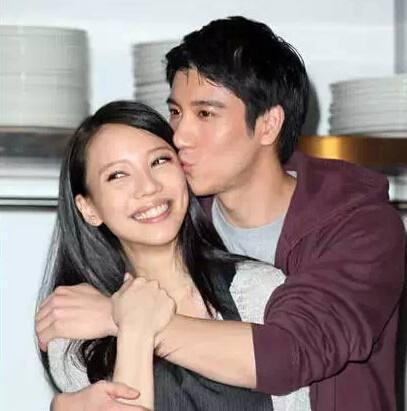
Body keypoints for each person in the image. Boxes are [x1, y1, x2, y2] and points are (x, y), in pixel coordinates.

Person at [37, 16, 406, 411]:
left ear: (267, 125)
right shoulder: (176, 212)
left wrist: (124, 318)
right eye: (176, 112)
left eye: (205, 114)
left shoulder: (360, 227)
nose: (179, 136)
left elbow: (291, 354)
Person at [37, 99, 309, 410]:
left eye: (159, 161)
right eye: (118, 175)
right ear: (89, 208)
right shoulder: (75, 331)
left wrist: (123, 317)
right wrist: (135, 323)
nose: (148, 187)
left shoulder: (259, 290)